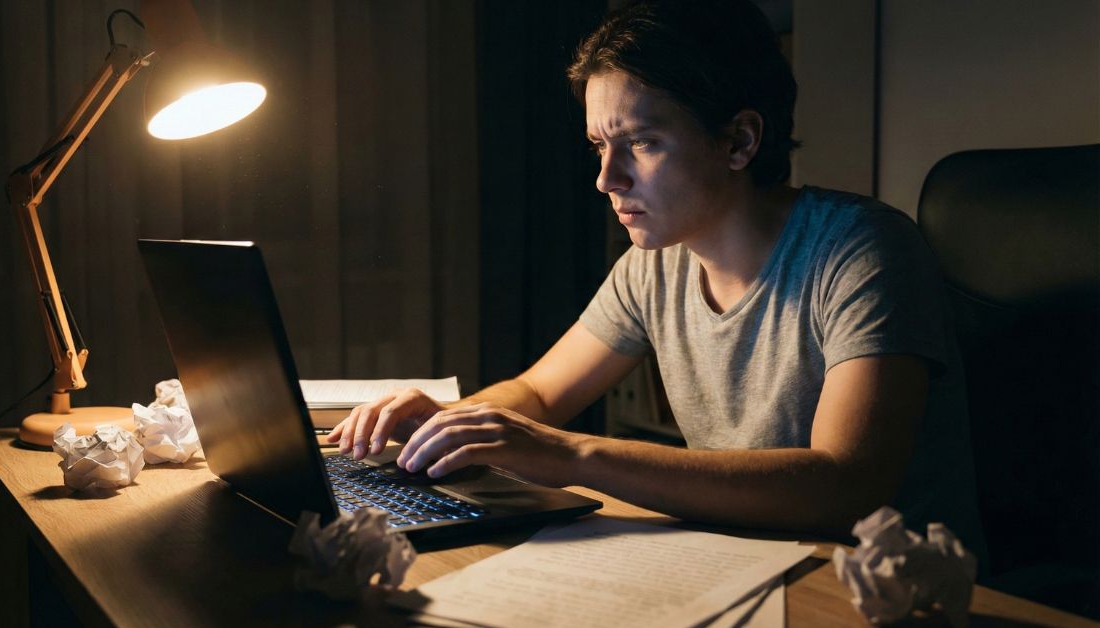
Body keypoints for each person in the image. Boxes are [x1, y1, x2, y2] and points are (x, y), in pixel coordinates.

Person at [327, 0, 984, 554]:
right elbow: (537, 393)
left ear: (739, 141)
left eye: (641, 142)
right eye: (598, 146)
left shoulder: (863, 249)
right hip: (740, 560)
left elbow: (844, 487)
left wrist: (573, 456)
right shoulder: (653, 266)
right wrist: (450, 421)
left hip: (890, 591)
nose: (607, 180)